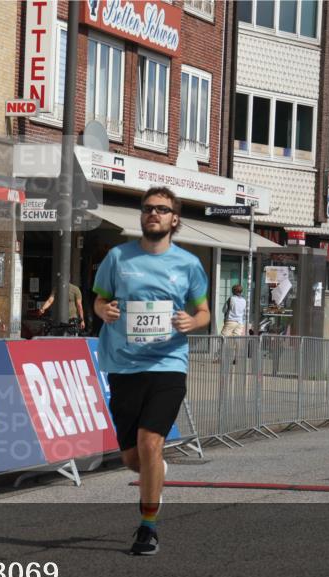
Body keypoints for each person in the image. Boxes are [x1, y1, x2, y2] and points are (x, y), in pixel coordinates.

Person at [93, 186, 210, 556]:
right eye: (147, 209)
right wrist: (104, 312)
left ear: (174, 219)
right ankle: (154, 472)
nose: (153, 214)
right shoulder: (117, 257)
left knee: (149, 443)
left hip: (167, 365)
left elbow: (204, 312)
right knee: (133, 458)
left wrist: (193, 322)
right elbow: (99, 299)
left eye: (161, 209)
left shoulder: (188, 264)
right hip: (123, 366)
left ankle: (148, 527)